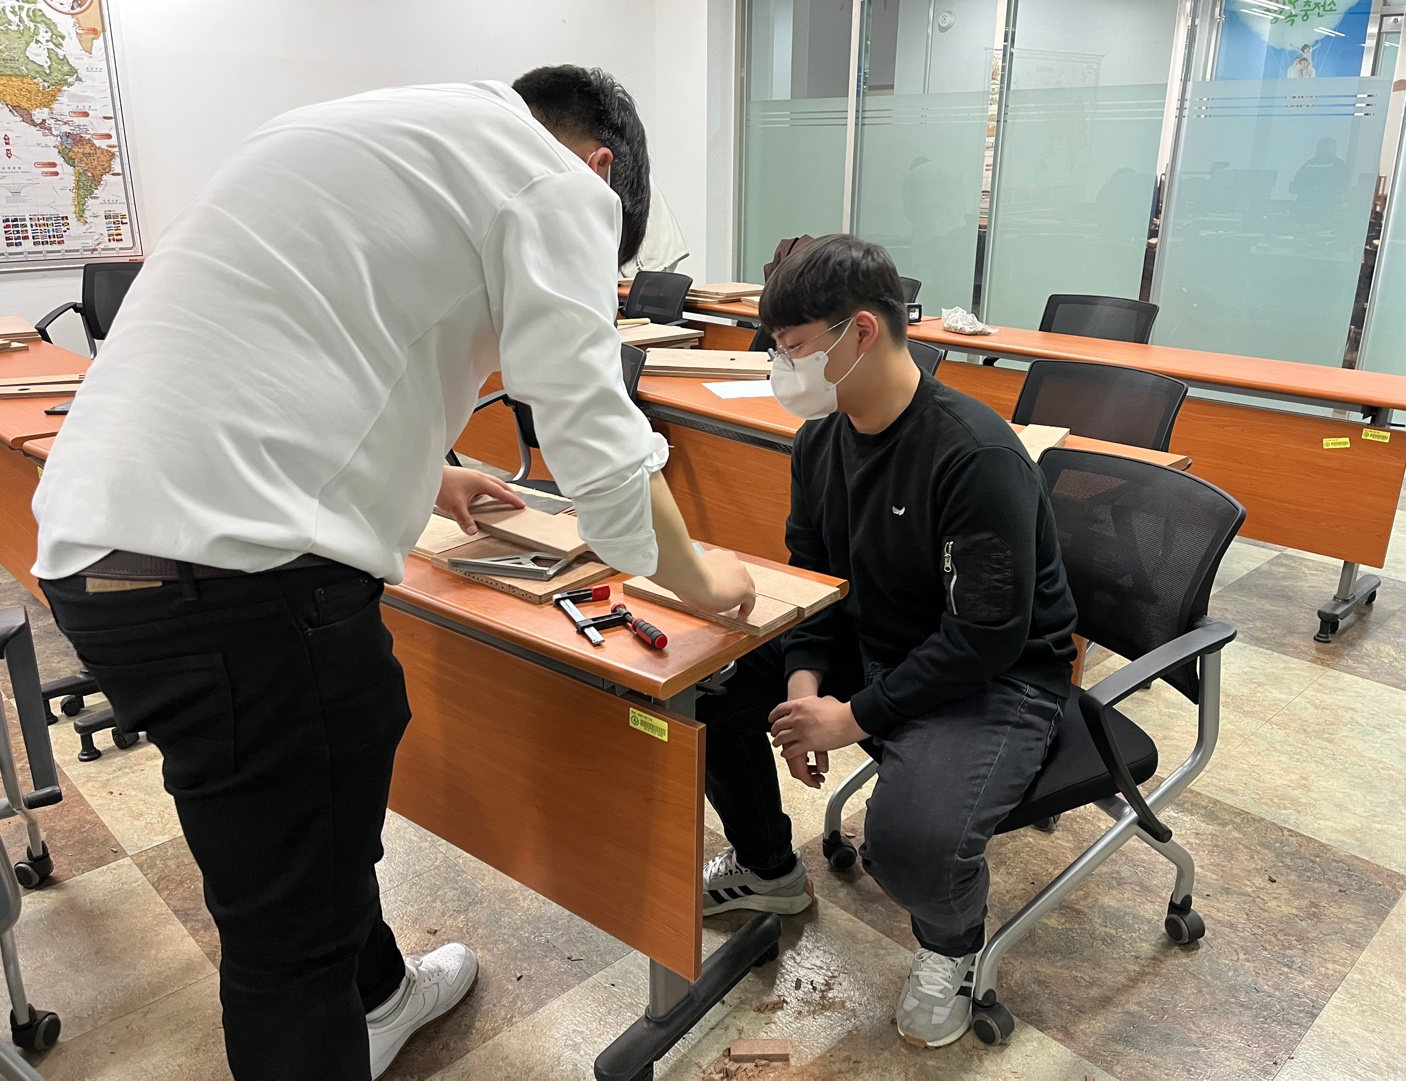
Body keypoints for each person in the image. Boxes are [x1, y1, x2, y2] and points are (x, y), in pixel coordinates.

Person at [31, 66, 755, 1081]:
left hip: (96, 554)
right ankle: (344, 1005)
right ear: (600, 168)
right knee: (290, 947)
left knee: (303, 836)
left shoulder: (362, 124)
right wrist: (697, 579)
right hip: (245, 588)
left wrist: (433, 474)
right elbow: (594, 440)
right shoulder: (556, 181)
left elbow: (298, 345)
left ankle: (379, 997)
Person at [696, 235, 1078, 1049]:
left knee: (908, 844)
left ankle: (952, 946)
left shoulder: (974, 455)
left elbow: (985, 636)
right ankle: (767, 867)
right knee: (710, 683)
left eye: (793, 347)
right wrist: (803, 680)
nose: (782, 367)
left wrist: (853, 716)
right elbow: (816, 576)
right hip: (878, 636)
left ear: (861, 332)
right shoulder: (821, 439)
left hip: (998, 676)